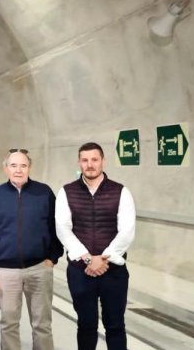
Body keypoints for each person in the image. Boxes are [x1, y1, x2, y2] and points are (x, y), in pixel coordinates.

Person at [55, 143, 137, 350]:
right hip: (81, 271)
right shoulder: (66, 192)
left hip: (113, 271)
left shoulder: (121, 192)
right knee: (86, 325)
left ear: (103, 161)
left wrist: (104, 258)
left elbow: (127, 230)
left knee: (115, 325)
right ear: (79, 163)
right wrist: (88, 258)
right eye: (85, 160)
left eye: (94, 159)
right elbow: (63, 228)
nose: (89, 164)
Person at [0, 149, 62, 350]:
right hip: (6, 271)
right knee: (9, 323)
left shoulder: (44, 193)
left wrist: (53, 257)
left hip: (39, 268)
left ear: (29, 168)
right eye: (14, 165)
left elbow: (57, 227)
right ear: (6, 168)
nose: (18, 170)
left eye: (23, 165)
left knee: (42, 324)